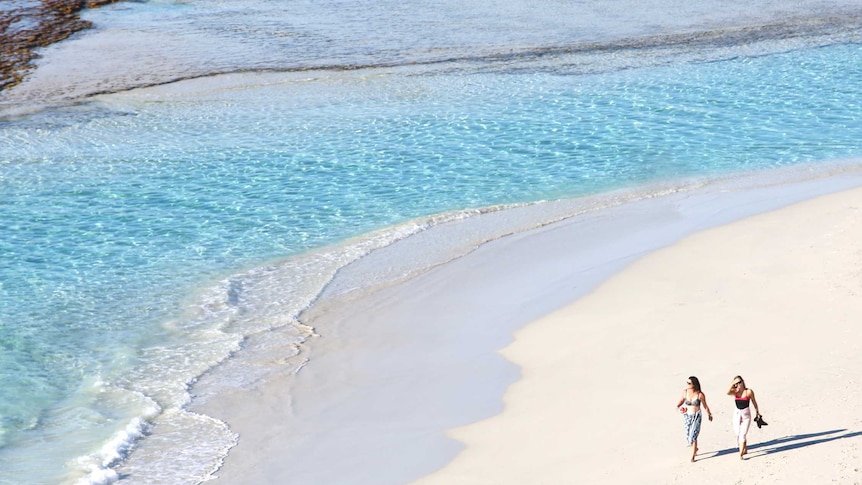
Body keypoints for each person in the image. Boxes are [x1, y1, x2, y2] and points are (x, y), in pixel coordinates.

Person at [675, 376, 713, 462]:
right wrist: (677, 406)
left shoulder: (700, 394)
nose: (687, 384)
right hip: (687, 416)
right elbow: (681, 400)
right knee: (688, 435)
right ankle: (695, 449)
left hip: (696, 416)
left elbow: (705, 406)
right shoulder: (685, 392)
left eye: (689, 383)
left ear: (694, 384)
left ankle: (692, 456)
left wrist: (709, 414)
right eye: (687, 383)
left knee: (694, 435)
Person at [726, 375, 761, 460]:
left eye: (739, 382)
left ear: (742, 382)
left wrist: (757, 412)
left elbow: (754, 402)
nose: (738, 384)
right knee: (737, 431)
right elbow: (727, 392)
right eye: (736, 383)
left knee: (743, 434)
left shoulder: (748, 391)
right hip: (737, 414)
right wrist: (732, 384)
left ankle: (741, 454)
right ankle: (744, 448)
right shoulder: (735, 391)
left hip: (746, 415)